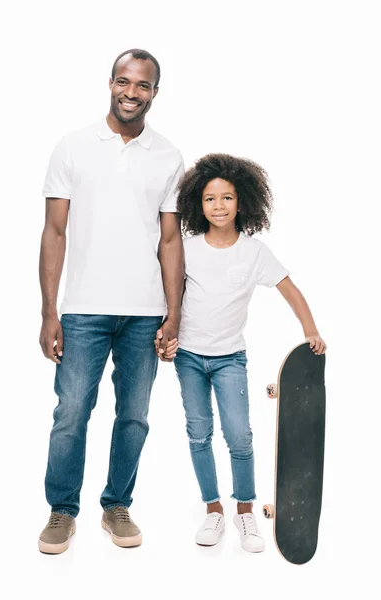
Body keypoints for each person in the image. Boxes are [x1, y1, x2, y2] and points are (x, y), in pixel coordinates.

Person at [38, 49, 184, 554]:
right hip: (82, 311)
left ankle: (116, 505)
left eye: (142, 85)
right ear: (110, 83)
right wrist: (48, 311)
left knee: (135, 416)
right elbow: (54, 231)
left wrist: (174, 313)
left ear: (154, 94)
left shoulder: (168, 157)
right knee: (72, 411)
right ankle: (61, 511)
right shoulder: (73, 147)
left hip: (144, 314)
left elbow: (170, 241)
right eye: (123, 81)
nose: (131, 92)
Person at [155, 153, 326, 552]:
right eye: (210, 199)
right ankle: (213, 509)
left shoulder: (254, 252)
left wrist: (311, 330)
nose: (218, 206)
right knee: (199, 433)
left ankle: (244, 511)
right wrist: (164, 337)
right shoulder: (187, 247)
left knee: (239, 435)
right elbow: (168, 297)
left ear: (242, 202)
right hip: (190, 357)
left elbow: (290, 289)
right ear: (198, 204)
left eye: (227, 198)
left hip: (230, 357)